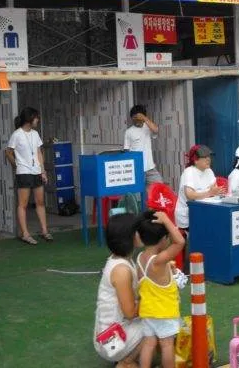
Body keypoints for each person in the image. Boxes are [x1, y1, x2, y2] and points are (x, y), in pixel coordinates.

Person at [94, 213, 144, 367]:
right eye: (138, 230)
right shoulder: (122, 270)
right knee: (158, 323)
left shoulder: (123, 260)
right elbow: (130, 313)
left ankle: (129, 357)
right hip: (110, 340)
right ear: (129, 237)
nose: (142, 232)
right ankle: (125, 362)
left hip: (110, 333)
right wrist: (155, 297)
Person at [136, 211, 185, 368]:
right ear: (163, 239)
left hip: (147, 311)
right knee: (166, 345)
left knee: (148, 344)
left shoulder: (140, 258)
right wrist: (166, 220)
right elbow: (180, 242)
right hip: (164, 312)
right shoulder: (158, 261)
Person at [6, 107, 51, 245]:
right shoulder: (17, 134)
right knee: (23, 204)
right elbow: (8, 152)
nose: (38, 120)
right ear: (29, 119)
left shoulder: (35, 134)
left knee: (40, 202)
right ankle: (25, 233)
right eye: (36, 117)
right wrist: (17, 165)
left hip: (36, 171)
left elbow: (39, 152)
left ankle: (44, 231)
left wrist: (43, 171)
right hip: (24, 172)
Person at [174, 145, 223, 230]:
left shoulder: (209, 171)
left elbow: (215, 189)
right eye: (204, 157)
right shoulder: (189, 172)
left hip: (205, 209)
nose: (208, 159)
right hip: (188, 214)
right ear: (195, 160)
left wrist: (214, 192)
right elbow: (190, 195)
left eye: (209, 156)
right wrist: (209, 193)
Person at [124, 105, 162, 196]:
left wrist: (144, 118)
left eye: (138, 118)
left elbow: (156, 130)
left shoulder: (148, 127)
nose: (136, 121)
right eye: (134, 119)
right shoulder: (129, 132)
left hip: (150, 168)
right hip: (136, 169)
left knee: (159, 188)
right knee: (137, 196)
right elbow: (126, 150)